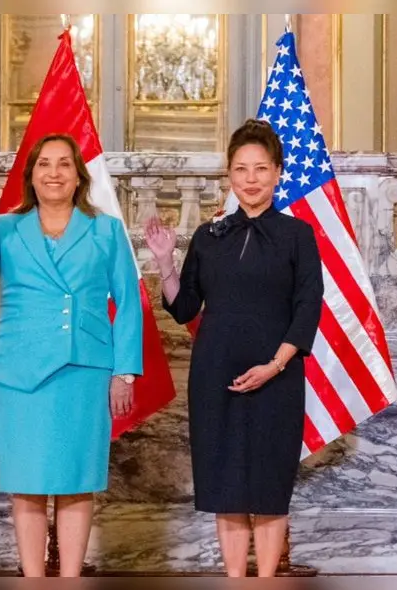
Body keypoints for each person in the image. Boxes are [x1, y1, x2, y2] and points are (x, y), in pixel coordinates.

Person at [0, 134, 143, 577]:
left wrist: (125, 372)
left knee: (76, 483)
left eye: (64, 164)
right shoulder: (8, 226)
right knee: (27, 486)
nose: (54, 172)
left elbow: (129, 301)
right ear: (31, 175)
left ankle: (70, 578)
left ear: (78, 176)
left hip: (83, 371)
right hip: (20, 375)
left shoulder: (105, 229)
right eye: (44, 164)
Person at [144, 118, 323, 577]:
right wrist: (165, 261)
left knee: (267, 487)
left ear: (278, 172)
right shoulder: (209, 236)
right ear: (229, 175)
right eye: (241, 169)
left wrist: (275, 365)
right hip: (216, 377)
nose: (250, 179)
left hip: (276, 378)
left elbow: (308, 307)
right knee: (227, 488)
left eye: (260, 169)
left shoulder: (298, 236)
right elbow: (184, 308)